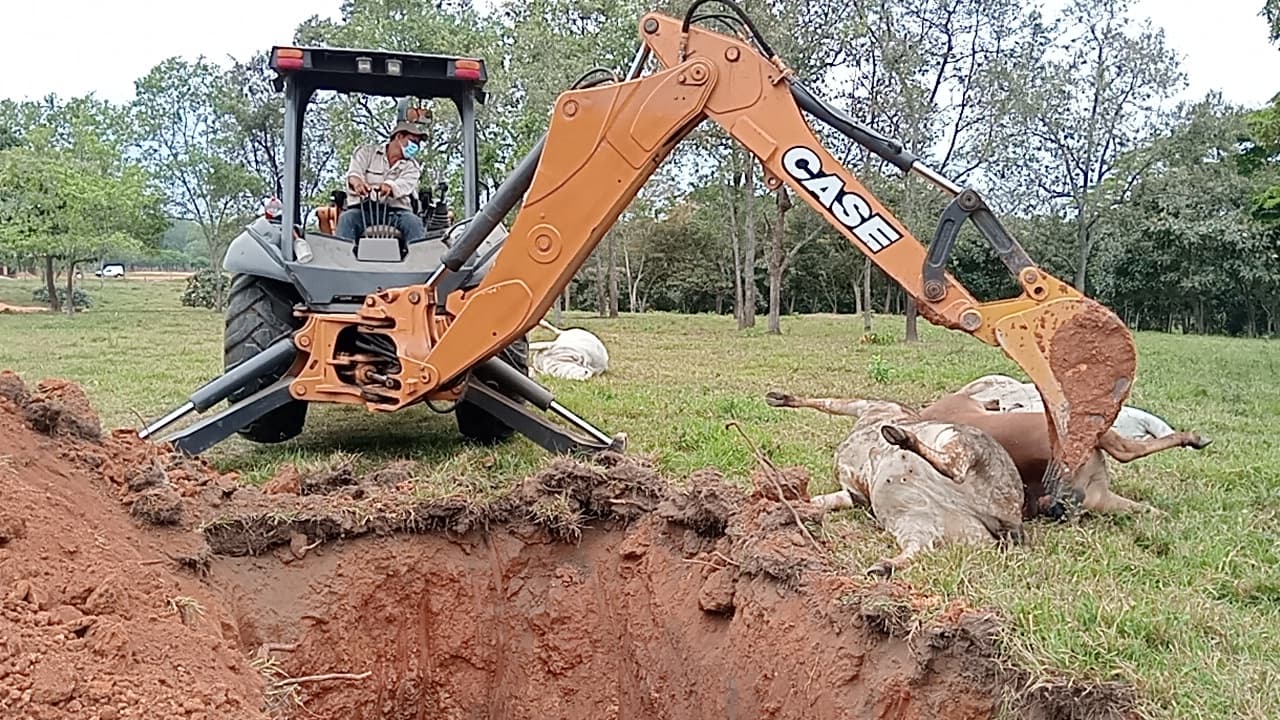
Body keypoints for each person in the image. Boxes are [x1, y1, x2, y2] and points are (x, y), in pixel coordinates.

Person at [337, 120, 427, 242]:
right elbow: (354, 174)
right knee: (346, 219)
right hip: (363, 210)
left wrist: (389, 186)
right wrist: (357, 183)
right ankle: (343, 258)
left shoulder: (412, 167)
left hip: (397, 213)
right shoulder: (366, 152)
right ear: (399, 136)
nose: (416, 147)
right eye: (414, 142)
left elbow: (404, 185)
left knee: (414, 222)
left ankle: (418, 259)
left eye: (418, 144)